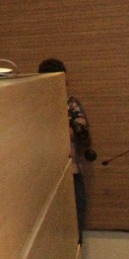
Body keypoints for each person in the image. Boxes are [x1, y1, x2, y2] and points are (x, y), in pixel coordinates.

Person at [37, 58, 93, 237]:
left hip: (71, 172)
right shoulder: (34, 106)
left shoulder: (70, 103)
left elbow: (82, 132)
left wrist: (63, 129)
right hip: (42, 176)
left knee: (75, 226)